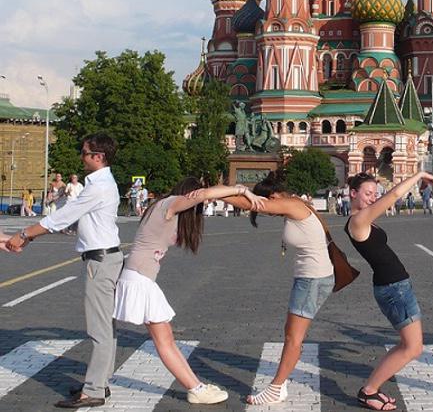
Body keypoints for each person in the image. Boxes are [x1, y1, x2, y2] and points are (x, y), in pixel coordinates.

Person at [114, 179, 265, 405]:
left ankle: (196, 386)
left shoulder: (168, 208)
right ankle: (195, 388)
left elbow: (206, 195)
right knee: (164, 342)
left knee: (166, 340)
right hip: (138, 278)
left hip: (140, 276)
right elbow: (204, 194)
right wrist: (242, 190)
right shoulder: (170, 204)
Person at [5, 133, 123, 408]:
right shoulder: (101, 183)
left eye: (84, 152)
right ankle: (99, 384)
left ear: (98, 157)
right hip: (106, 259)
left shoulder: (99, 186)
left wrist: (24, 234)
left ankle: (94, 390)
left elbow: (60, 218)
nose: (80, 157)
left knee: (100, 328)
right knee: (106, 326)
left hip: (100, 261)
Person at [220, 172, 335, 406]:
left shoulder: (291, 204)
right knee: (292, 334)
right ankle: (280, 384)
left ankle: (276, 388)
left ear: (272, 197)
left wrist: (213, 193)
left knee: (293, 337)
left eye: (268, 203)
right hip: (312, 277)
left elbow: (248, 202)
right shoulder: (295, 204)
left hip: (312, 279)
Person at [345, 171, 433, 410]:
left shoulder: (363, 218)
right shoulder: (358, 221)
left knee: (407, 345)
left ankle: (372, 389)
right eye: (368, 193)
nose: (372, 198)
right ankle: (368, 391)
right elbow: (394, 195)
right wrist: (419, 174)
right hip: (393, 289)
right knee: (413, 347)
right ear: (353, 193)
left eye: (374, 193)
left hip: (396, 286)